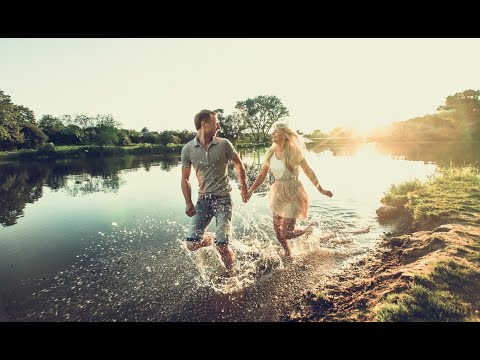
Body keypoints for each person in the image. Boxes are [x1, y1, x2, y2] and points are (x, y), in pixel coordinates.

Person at [246, 123, 333, 257]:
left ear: (285, 136)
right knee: (277, 231)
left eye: (276, 132)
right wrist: (251, 190)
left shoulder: (294, 152)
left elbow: (308, 171)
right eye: (273, 132)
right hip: (278, 191)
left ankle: (308, 230)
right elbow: (262, 175)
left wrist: (320, 189)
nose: (273, 134)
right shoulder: (270, 153)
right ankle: (288, 252)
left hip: (293, 191)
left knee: (286, 233)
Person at [181, 109, 249, 277]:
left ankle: (231, 275)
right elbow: (185, 179)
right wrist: (188, 202)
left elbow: (239, 165)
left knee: (222, 246)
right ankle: (212, 238)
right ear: (204, 124)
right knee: (192, 244)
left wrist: (244, 187)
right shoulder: (188, 149)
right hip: (203, 201)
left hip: (223, 200)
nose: (218, 125)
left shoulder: (224, 144)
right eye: (215, 122)